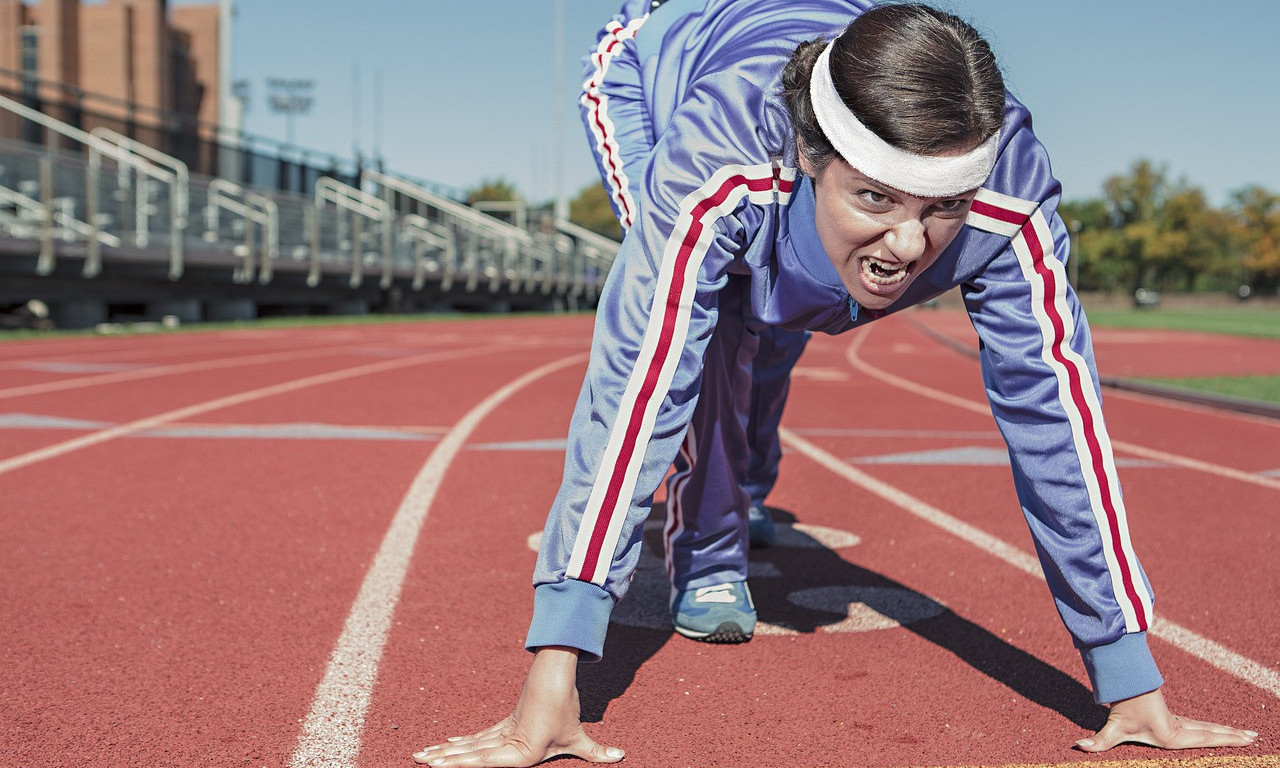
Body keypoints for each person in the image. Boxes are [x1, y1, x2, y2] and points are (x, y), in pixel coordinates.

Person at [414, 1, 1258, 764]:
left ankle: (744, 483)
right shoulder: (721, 157)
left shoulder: (1011, 195)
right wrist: (553, 678)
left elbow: (1059, 421)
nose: (905, 244)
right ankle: (708, 552)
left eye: (942, 208)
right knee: (709, 332)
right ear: (816, 158)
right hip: (651, 67)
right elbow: (636, 387)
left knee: (787, 314)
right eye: (875, 199)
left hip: (816, 107)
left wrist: (1130, 678)